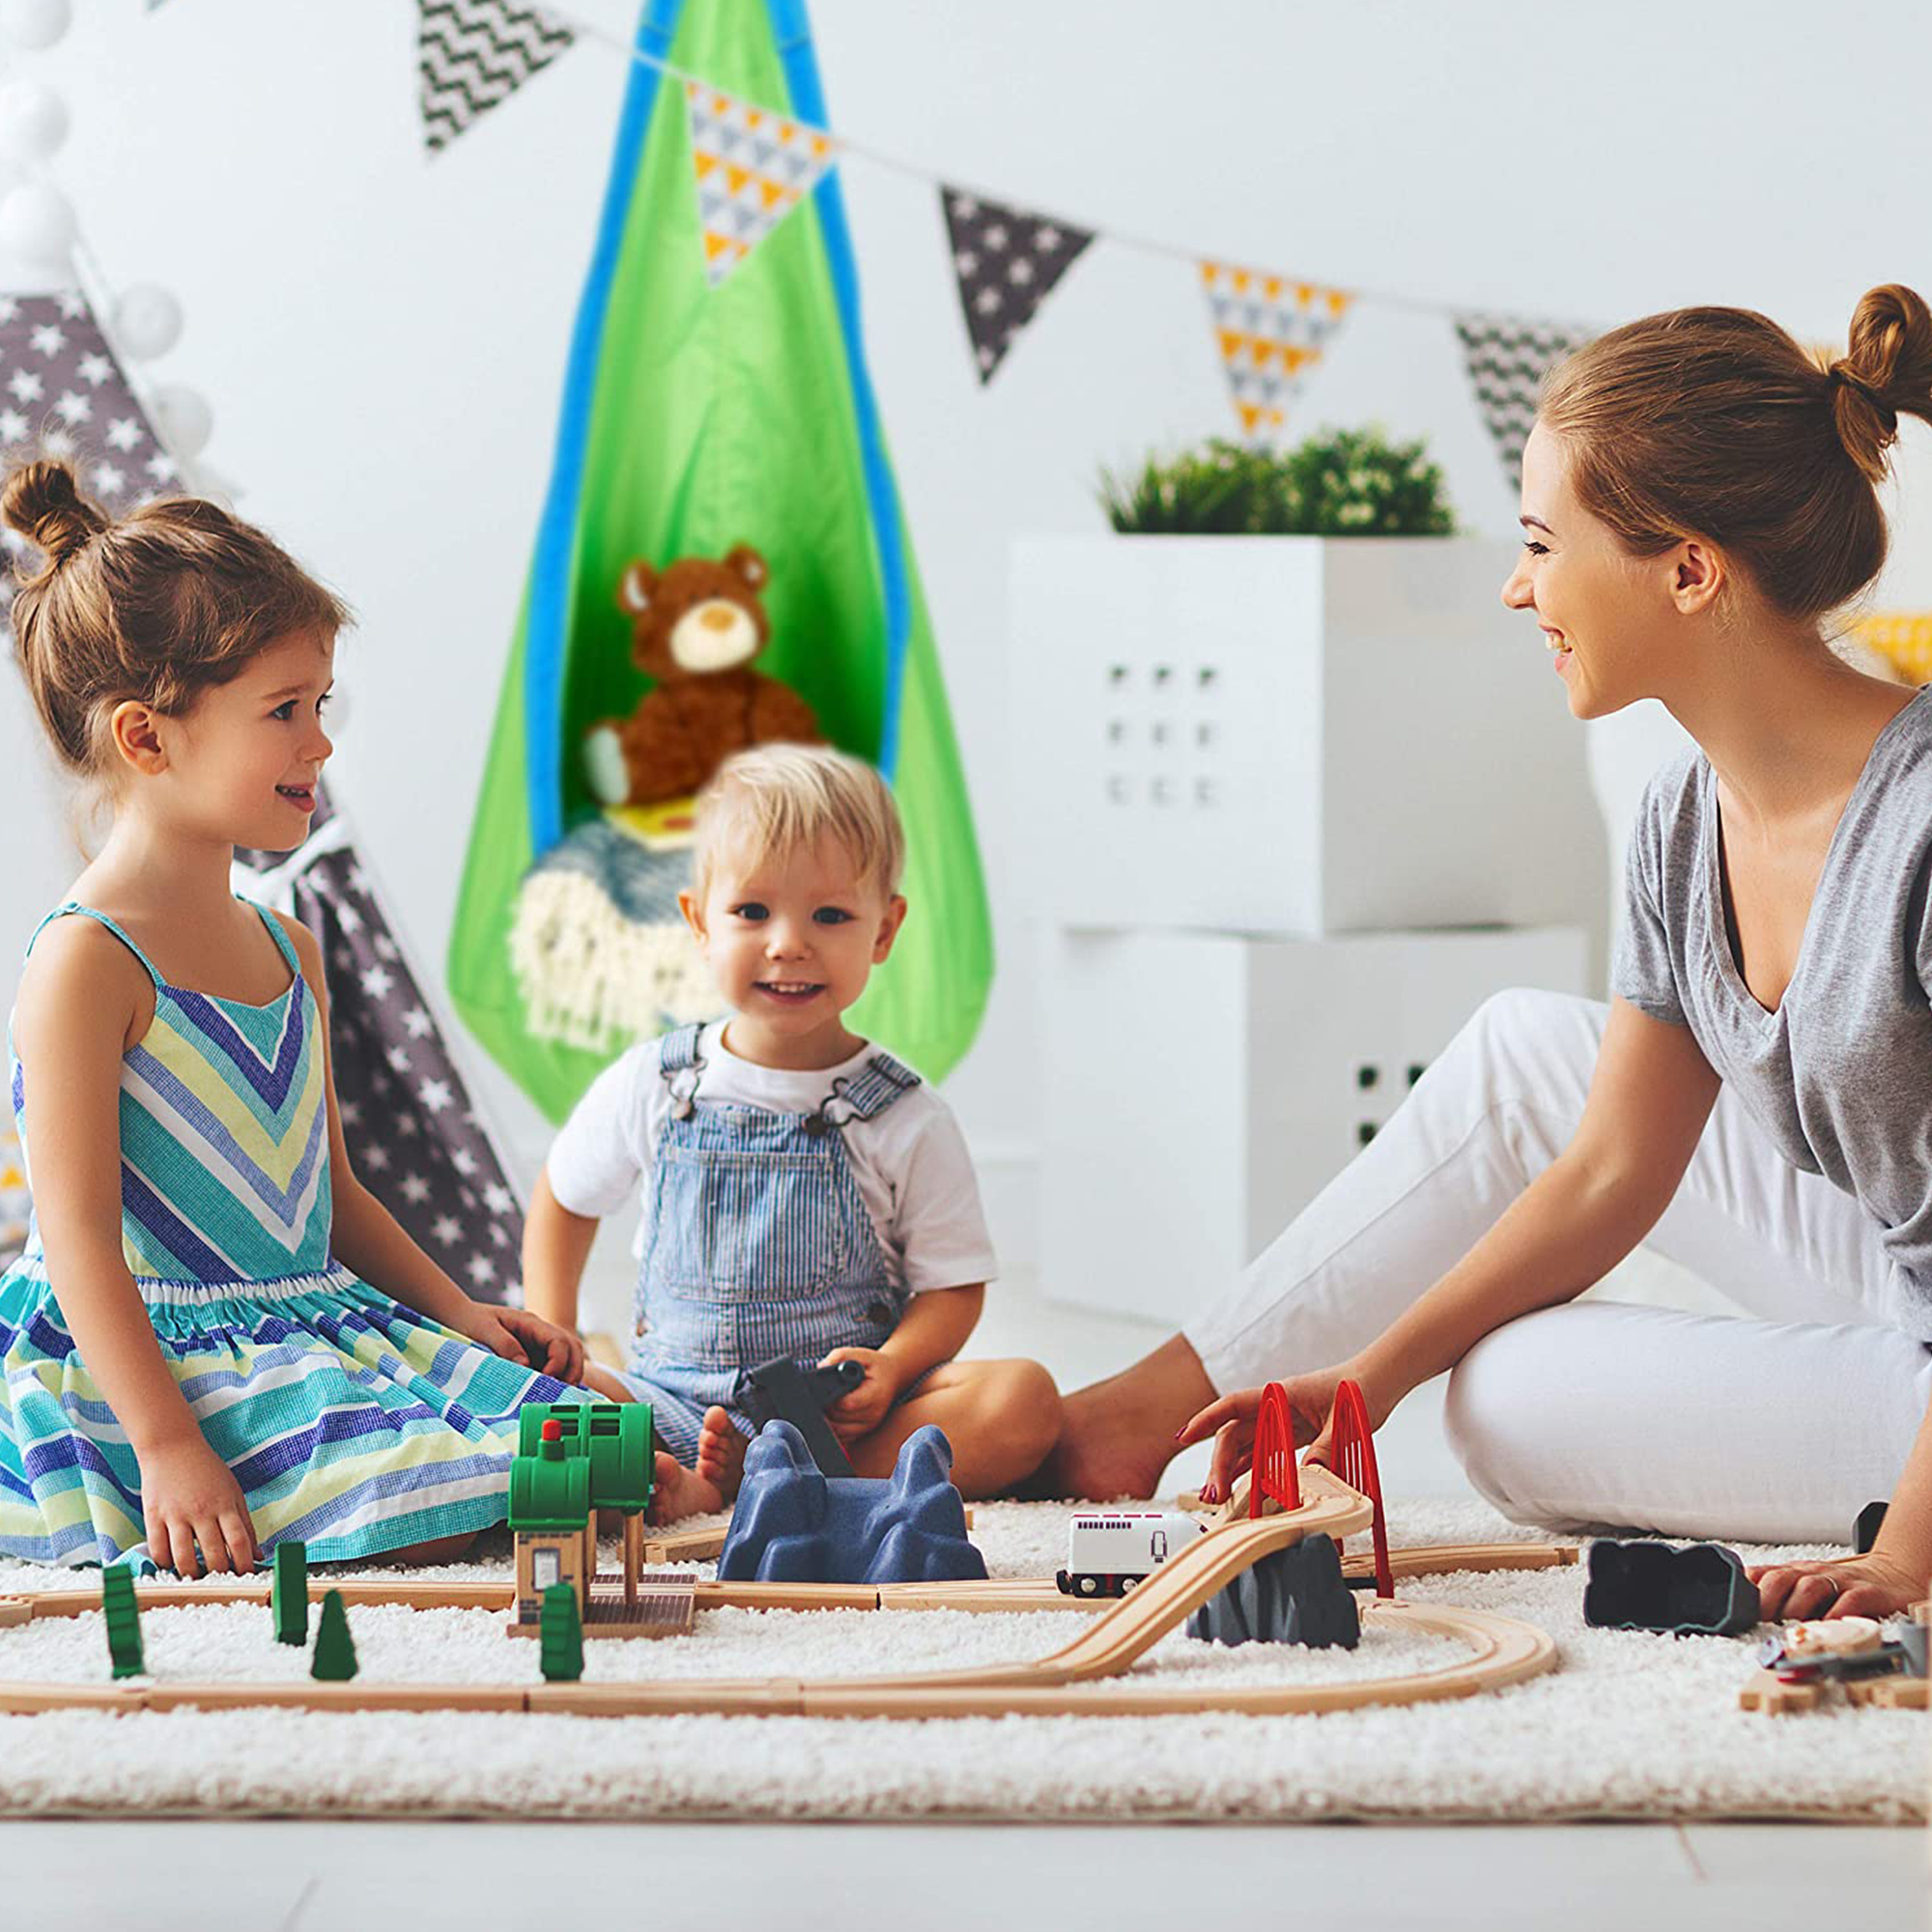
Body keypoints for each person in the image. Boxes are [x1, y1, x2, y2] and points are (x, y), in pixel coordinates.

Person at [1042, 284, 1932, 1625]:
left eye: (1541, 543)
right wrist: (1365, 1379)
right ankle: (1151, 1405)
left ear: (1691, 571)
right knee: (1497, 1379)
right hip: (1892, 1266)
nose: (1520, 587)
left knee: (1516, 1405)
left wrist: (1906, 1563)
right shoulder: (1680, 824)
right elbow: (1615, 1171)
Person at [0, 460, 586, 1576]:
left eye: (320, 706)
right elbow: (75, 1239)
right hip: (143, 1357)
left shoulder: (288, 947)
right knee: (451, 1502)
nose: (319, 745)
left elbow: (335, 1195)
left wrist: (462, 1311)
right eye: (284, 711)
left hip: (300, 1324)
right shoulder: (85, 961)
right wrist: (170, 1444)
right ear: (146, 737)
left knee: (594, 1429)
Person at [523, 743, 1060, 1516]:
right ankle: (715, 1480)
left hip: (833, 1422)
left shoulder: (903, 1115)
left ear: (884, 930)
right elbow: (563, 1198)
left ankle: (773, 1484)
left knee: (1023, 1400)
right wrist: (554, 1335)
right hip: (674, 1407)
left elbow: (953, 1289)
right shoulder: (657, 1082)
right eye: (751, 912)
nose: (787, 943)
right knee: (546, 1409)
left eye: (830, 915)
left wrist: (892, 1367)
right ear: (698, 922)